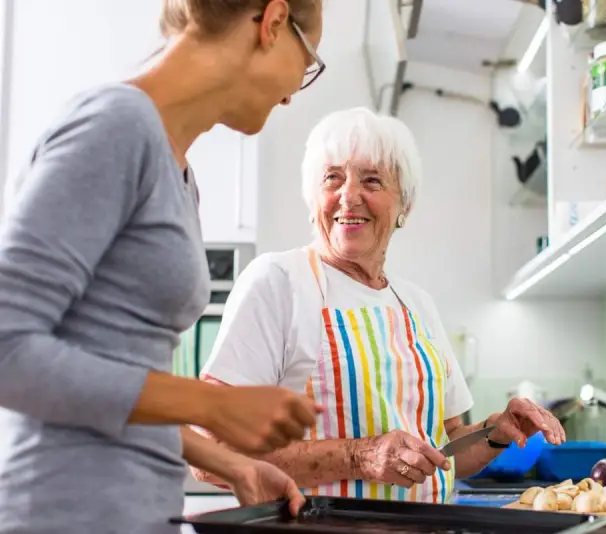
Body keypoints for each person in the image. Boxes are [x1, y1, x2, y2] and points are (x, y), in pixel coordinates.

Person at [0, 1, 327, 532]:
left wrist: (233, 462)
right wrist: (211, 405)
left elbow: (118, 383)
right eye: (307, 62)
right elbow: (6, 347)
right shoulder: (115, 126)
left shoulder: (181, 175)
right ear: (271, 23)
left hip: (139, 510)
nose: (293, 93)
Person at [192, 107, 567, 504]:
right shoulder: (278, 281)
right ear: (312, 197)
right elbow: (209, 449)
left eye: (371, 180)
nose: (349, 196)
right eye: (332, 178)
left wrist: (495, 433)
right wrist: (359, 457)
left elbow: (446, 447)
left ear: (405, 205)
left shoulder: (416, 304)